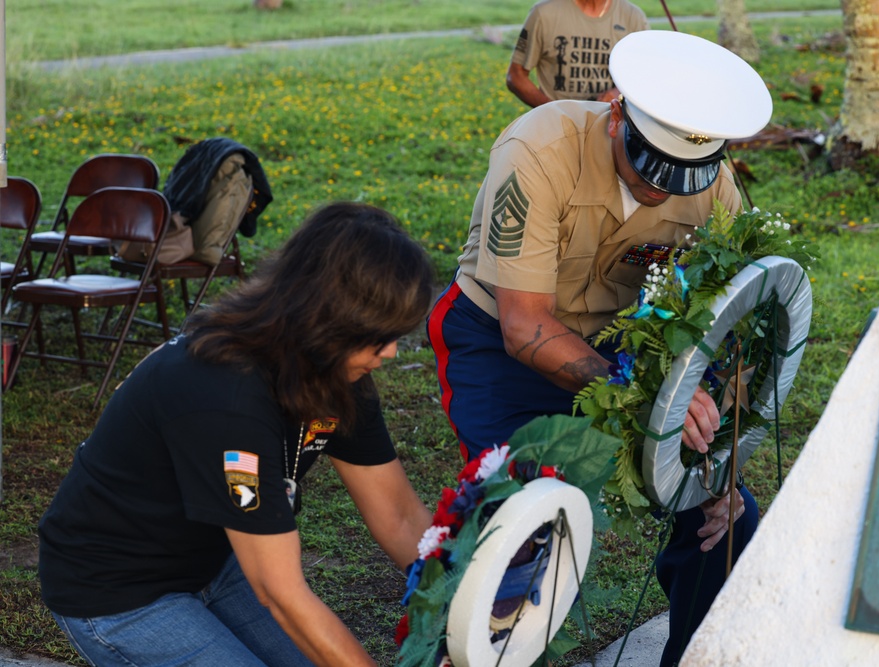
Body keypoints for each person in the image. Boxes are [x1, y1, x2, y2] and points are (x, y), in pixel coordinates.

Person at [428, 31, 772, 666]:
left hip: (625, 343)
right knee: (516, 513)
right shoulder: (537, 147)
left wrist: (721, 463)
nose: (660, 191)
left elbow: (733, 328)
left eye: (684, 175)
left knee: (725, 521)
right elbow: (525, 325)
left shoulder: (715, 188)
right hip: (501, 337)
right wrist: (646, 401)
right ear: (617, 109)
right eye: (649, 165)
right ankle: (457, 650)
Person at [38, 202, 436, 666]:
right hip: (116, 590)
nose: (388, 353)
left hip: (217, 563)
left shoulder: (339, 372)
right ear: (328, 317)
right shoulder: (226, 396)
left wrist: (471, 605)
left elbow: (401, 517)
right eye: (377, 336)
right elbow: (278, 591)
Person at [506, 0, 648, 107]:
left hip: (612, 127)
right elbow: (516, 76)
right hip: (556, 130)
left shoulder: (634, 18)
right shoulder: (544, 13)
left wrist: (618, 93)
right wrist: (554, 110)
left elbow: (646, 75)